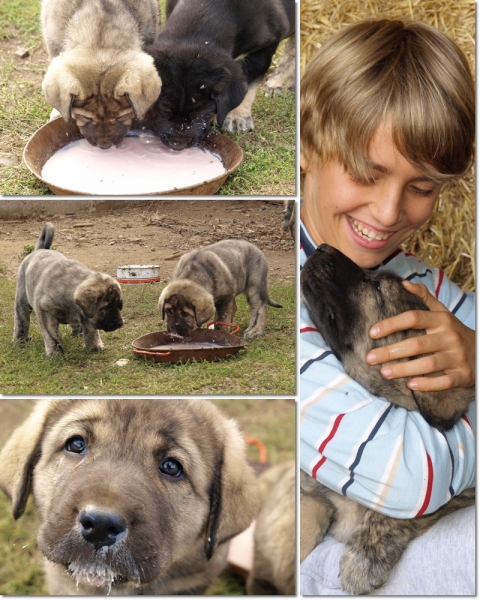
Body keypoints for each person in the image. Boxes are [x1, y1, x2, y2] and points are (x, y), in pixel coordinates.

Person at [299, 18, 475, 595]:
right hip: (346, 552)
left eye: (421, 188)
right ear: (304, 146)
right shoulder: (282, 315)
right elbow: (412, 478)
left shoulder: (422, 283)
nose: (388, 211)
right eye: (366, 174)